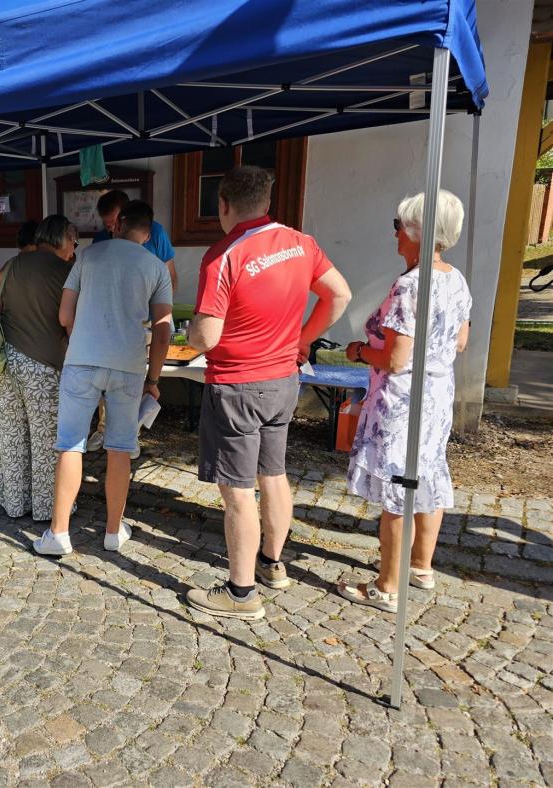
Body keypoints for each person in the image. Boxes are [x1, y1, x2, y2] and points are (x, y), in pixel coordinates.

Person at [185, 166, 351, 620]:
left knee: (237, 491)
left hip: (237, 385)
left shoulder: (223, 255)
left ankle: (240, 594)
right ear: (267, 202)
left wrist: (190, 328)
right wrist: (302, 338)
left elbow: (206, 337)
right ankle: (273, 565)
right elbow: (339, 295)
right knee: (273, 474)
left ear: (223, 205)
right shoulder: (302, 243)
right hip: (283, 381)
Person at [338, 190, 472, 613]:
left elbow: (394, 361)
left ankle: (387, 585)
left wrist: (360, 351)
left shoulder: (410, 286)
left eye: (398, 226)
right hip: (436, 395)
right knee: (427, 476)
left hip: (402, 401)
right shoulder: (455, 278)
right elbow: (462, 341)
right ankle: (421, 566)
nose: (393, 234)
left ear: (416, 232)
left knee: (399, 489)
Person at [34, 200, 173, 556]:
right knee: (120, 448)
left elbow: (65, 315)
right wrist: (153, 378)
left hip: (82, 360)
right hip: (128, 364)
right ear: (150, 229)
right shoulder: (156, 268)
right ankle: (113, 531)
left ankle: (58, 533)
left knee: (70, 444)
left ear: (118, 223)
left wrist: (86, 337)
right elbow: (162, 331)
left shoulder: (88, 258)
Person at [0, 215, 77, 521]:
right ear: (62, 239)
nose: (73, 248)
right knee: (46, 439)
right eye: (73, 241)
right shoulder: (68, 272)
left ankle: (14, 503)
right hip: (45, 366)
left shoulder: (12, 265)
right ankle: (46, 508)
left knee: (11, 436)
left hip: (5, 364)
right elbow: (70, 321)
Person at [86, 190, 177, 455]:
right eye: (107, 225)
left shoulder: (155, 233)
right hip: (111, 324)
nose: (111, 229)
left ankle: (130, 432)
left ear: (127, 218)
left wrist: (161, 309)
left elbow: (170, 275)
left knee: (137, 378)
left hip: (148, 320)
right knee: (107, 380)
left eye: (114, 223)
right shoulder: (101, 241)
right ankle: (103, 429)